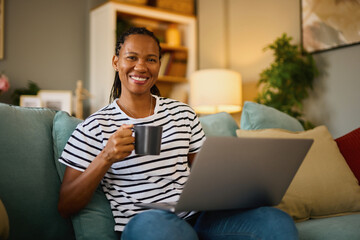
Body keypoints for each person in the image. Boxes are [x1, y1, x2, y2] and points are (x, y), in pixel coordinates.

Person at [58, 27, 299, 240]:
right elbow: (66, 204)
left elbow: (206, 172)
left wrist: (246, 183)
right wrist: (106, 157)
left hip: (200, 217)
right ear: (116, 62)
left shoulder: (182, 113)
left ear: (158, 65)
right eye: (131, 57)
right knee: (166, 231)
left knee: (275, 221)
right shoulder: (93, 126)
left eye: (151, 59)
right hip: (147, 222)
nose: (141, 66)